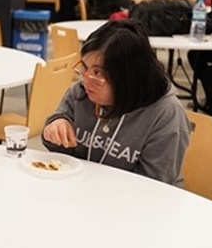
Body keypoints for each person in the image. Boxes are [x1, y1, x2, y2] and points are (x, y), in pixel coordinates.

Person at [42, 20, 191, 185]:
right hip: (82, 192)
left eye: (98, 72)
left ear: (128, 78)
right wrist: (56, 126)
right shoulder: (83, 92)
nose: (86, 80)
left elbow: (153, 186)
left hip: (134, 203)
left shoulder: (165, 115)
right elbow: (61, 154)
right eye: (85, 67)